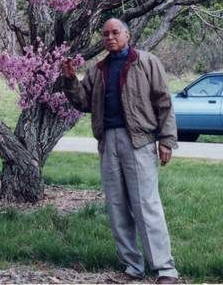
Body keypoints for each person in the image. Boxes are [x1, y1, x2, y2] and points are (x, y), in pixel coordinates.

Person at [62, 18, 178, 284]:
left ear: (127, 34)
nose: (110, 37)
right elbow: (83, 102)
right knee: (116, 207)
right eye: (105, 34)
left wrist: (166, 140)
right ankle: (132, 267)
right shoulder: (97, 69)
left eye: (115, 32)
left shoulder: (147, 62)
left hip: (139, 141)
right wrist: (70, 81)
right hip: (108, 141)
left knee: (146, 205)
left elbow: (164, 103)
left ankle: (164, 270)